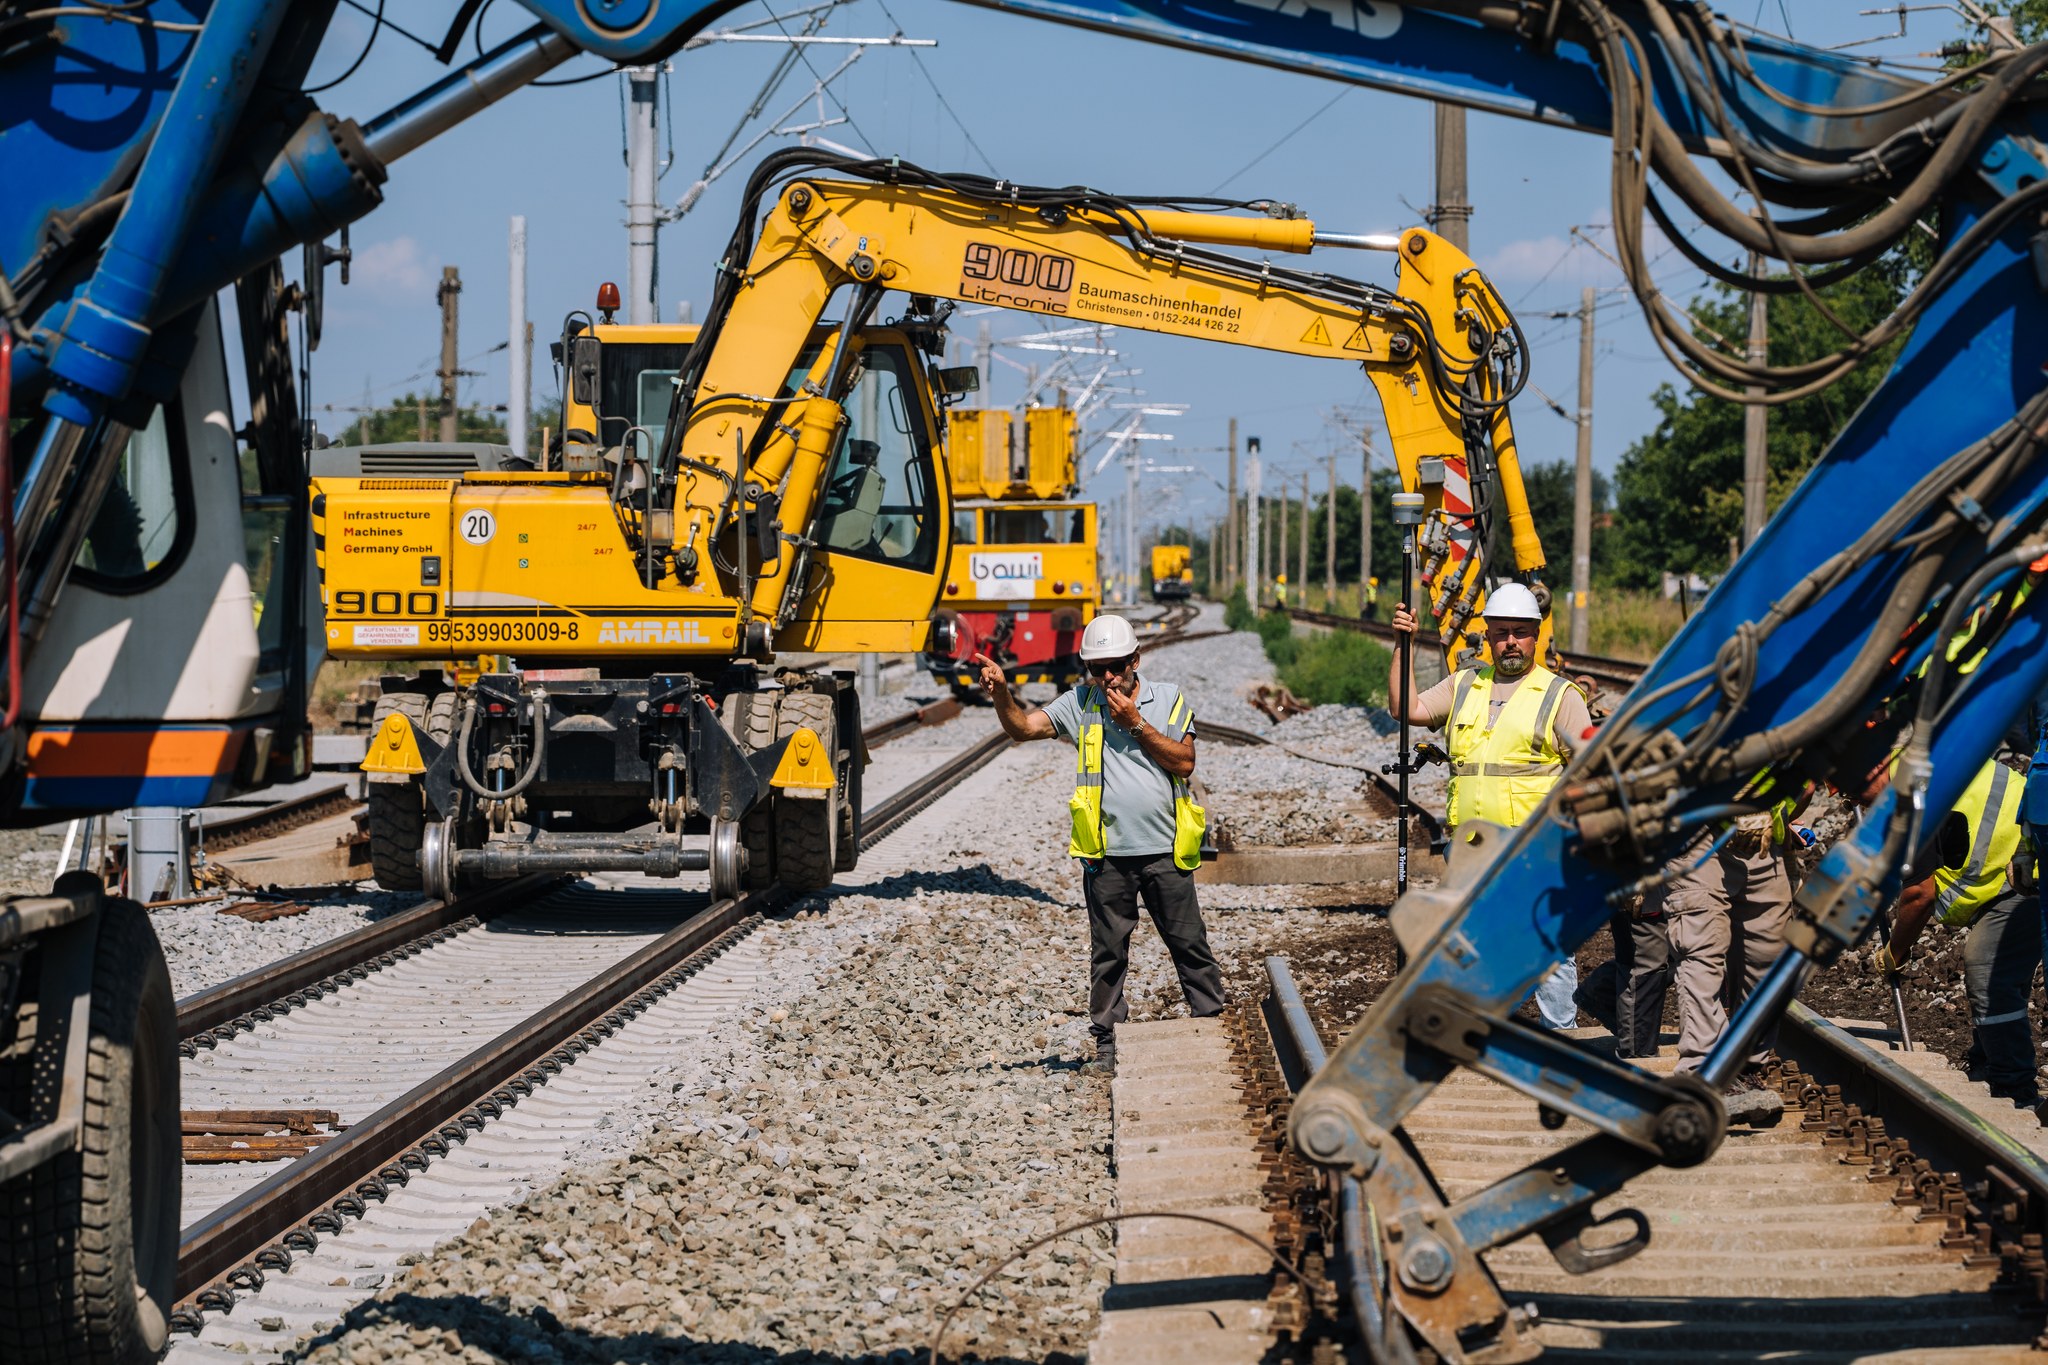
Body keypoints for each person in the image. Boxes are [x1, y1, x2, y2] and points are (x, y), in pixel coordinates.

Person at [975, 613, 1225, 1075]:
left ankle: (1210, 1027)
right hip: (1106, 854)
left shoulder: (1167, 699)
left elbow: (1185, 762)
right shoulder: (1081, 701)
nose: (1106, 676)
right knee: (1108, 954)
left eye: (1114, 665)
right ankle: (1108, 1047)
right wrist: (1003, 694)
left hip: (1166, 850)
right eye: (1096, 667)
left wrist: (1135, 723)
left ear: (1135, 659)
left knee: (1189, 943)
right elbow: (1023, 729)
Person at [1387, 583, 1591, 1029]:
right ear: (1488, 636)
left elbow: (1591, 773)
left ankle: (1560, 1031)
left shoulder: (1560, 695)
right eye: (1501, 632)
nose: (1510, 641)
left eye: (1520, 632)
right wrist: (1404, 645)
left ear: (1536, 635)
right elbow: (1406, 707)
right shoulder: (1465, 684)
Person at [1879, 755, 2039, 1110]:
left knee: (1987, 972)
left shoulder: (1910, 796)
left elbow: (1919, 896)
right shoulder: (1926, 762)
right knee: (2001, 976)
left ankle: (2016, 1090)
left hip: (2029, 869)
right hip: (2013, 869)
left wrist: (1895, 951)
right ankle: (1987, 1064)